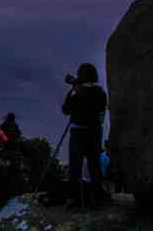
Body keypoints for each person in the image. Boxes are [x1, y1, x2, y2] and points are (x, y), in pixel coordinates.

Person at [61, 63, 109, 209]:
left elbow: (66, 109)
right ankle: (98, 198)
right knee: (94, 165)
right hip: (94, 133)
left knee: (75, 166)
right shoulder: (101, 92)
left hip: (78, 132)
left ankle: (73, 199)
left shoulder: (76, 91)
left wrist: (74, 92)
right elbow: (101, 109)